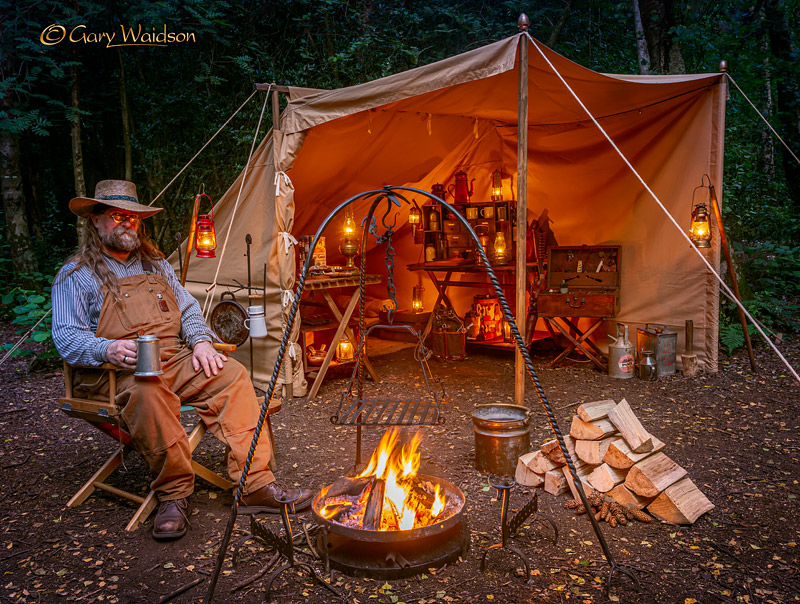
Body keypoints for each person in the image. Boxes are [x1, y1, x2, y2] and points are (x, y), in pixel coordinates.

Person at [51, 179, 312, 541]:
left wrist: (202, 342)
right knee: (149, 393)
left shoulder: (155, 264)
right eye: (116, 215)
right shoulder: (76, 275)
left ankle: (254, 485)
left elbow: (187, 308)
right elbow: (65, 336)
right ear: (95, 221)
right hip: (117, 374)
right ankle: (174, 494)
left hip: (173, 359)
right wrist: (106, 349)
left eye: (132, 217)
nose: (127, 223)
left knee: (233, 375)